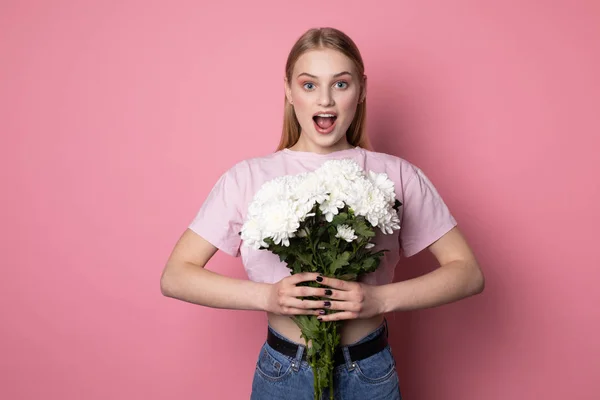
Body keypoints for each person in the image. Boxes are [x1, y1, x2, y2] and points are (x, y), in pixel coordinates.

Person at [160, 27, 485, 400]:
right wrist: (267, 297)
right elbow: (175, 276)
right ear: (289, 90)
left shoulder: (396, 175)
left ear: (361, 90)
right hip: (284, 372)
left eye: (341, 84)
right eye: (310, 85)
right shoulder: (247, 178)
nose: (325, 100)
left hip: (369, 372)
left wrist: (379, 300)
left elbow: (468, 273)